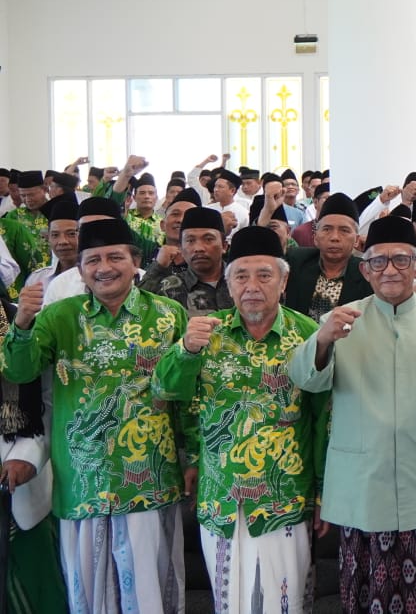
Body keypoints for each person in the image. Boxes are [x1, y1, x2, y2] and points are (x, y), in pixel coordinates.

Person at [288, 215, 416, 613]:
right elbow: (306, 380)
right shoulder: (340, 321)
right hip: (363, 484)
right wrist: (323, 339)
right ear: (365, 269)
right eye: (378, 261)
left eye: (400, 259)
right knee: (366, 593)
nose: (390, 269)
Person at [3, 217, 193, 613]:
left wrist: (192, 456)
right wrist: (21, 323)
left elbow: (187, 395)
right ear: (80, 268)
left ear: (135, 261)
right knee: (88, 593)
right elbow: (20, 372)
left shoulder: (169, 314)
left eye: (114, 257)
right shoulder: (59, 317)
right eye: (92, 260)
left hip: (150, 474)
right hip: (82, 476)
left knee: (151, 587)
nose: (103, 267)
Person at [151, 226, 327, 614]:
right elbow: (169, 393)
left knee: (287, 598)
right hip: (222, 494)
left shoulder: (308, 336)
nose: (252, 285)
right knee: (228, 600)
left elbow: (323, 419)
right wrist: (184, 351)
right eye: (241, 276)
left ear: (283, 281)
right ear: (228, 284)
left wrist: (321, 490)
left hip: (284, 496)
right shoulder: (205, 333)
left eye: (264, 275)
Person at [0, 292, 69, 612]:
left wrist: (27, 455)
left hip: (18, 466)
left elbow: (52, 400)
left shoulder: (26, 324)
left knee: (34, 585)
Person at [282, 192, 373, 319]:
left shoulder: (367, 275)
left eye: (344, 230)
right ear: (315, 238)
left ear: (357, 240)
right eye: (327, 229)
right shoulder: (295, 261)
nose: (334, 237)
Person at [140, 205, 234, 315]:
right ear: (181, 248)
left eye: (208, 239)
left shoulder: (243, 281)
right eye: (190, 240)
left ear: (224, 246)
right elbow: (138, 310)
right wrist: (158, 267)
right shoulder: (168, 287)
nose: (199, 248)